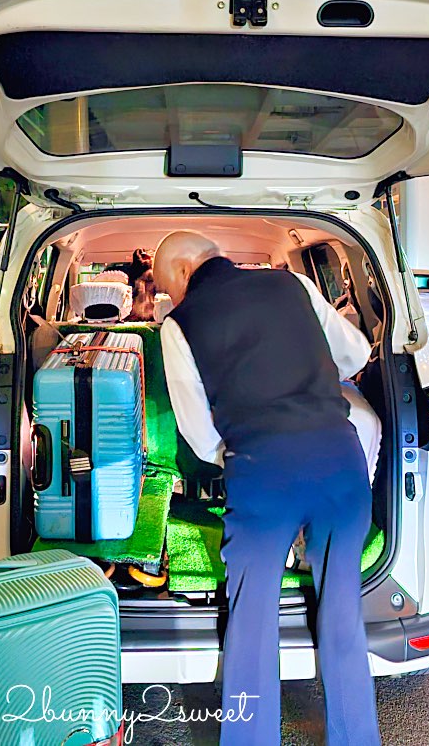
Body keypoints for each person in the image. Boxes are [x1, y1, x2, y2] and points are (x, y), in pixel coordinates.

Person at [154, 231, 380, 746]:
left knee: (252, 626)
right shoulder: (294, 283)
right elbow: (356, 353)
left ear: (185, 272)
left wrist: (245, 449)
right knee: (343, 614)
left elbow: (199, 432)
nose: (173, 298)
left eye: (170, 287)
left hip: (262, 475)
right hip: (340, 465)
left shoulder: (179, 325)